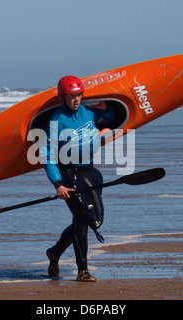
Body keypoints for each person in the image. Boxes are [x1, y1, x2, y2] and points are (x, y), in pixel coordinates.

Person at [41, 75, 114, 282]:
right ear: (62, 97)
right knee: (83, 219)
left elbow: (112, 117)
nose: (76, 100)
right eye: (72, 96)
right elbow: (46, 154)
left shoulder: (88, 112)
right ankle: (82, 270)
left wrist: (104, 108)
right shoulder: (56, 121)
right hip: (69, 174)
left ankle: (55, 253)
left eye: (79, 95)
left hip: (90, 172)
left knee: (89, 218)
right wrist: (58, 184)